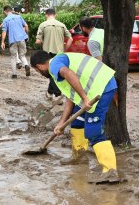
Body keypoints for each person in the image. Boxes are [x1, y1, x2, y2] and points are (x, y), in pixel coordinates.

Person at [31, 50, 121, 183]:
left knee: (94, 131)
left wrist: (85, 98)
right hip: (93, 89)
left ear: (39, 66)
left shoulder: (54, 65)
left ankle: (110, 171)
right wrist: (61, 123)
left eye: (37, 71)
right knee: (77, 122)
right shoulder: (58, 63)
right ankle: (79, 156)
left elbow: (68, 73)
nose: (40, 74)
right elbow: (70, 98)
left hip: (101, 88)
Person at [35, 8, 72, 103]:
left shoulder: (43, 25)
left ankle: (57, 95)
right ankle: (50, 92)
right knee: (55, 73)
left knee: (52, 74)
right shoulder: (62, 25)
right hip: (60, 53)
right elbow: (70, 39)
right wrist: (65, 49)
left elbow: (38, 41)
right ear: (55, 15)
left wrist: (42, 41)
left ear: (46, 15)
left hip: (48, 54)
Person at [0, 5, 30, 79]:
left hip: (13, 40)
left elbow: (4, 31)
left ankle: (14, 74)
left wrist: (2, 42)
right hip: (22, 39)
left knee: (13, 57)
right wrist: (26, 34)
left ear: (5, 11)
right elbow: (26, 26)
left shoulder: (6, 20)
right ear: (11, 10)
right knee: (22, 55)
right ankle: (26, 65)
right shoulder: (19, 17)